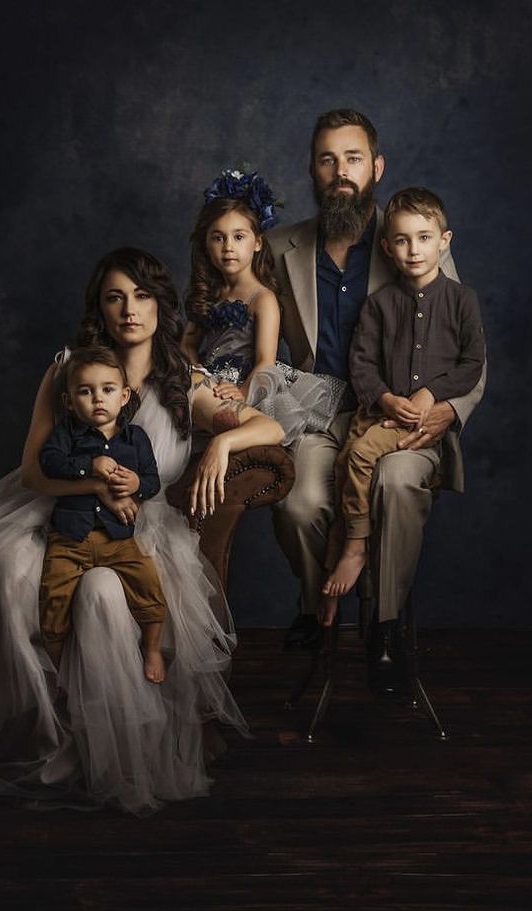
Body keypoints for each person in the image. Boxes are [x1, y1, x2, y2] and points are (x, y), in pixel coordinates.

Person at [0, 247, 284, 822]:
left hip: (138, 529)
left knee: (103, 595)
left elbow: (269, 425)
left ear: (161, 306)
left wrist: (221, 441)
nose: (129, 310)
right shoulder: (70, 368)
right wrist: (93, 486)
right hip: (56, 511)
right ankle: (33, 738)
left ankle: (105, 751)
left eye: (142, 296)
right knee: (8, 572)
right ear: (99, 306)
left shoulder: (185, 382)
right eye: (115, 297)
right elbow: (32, 472)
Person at [266, 109, 485, 685]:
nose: (341, 171)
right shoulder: (280, 246)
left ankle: (383, 628)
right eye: (328, 159)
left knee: (394, 482)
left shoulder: (411, 234)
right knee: (298, 504)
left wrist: (447, 410)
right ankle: (320, 609)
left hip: (404, 417)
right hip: (317, 415)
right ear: (312, 170)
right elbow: (241, 328)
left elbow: (469, 351)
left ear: (377, 166)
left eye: (354, 158)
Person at [320, 187, 486, 627]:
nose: (414, 249)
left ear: (444, 240)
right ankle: (328, 599)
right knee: (342, 470)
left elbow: (473, 363)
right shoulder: (378, 305)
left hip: (418, 428)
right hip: (381, 413)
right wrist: (386, 397)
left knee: (355, 458)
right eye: (403, 240)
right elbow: (361, 363)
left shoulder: (462, 300)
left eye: (424, 237)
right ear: (387, 247)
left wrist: (432, 395)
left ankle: (357, 550)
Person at [182, 168, 345, 445]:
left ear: (257, 242)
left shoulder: (263, 299)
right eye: (218, 237)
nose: (228, 247)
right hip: (209, 385)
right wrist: (198, 372)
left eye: (238, 237)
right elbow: (187, 342)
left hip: (247, 386)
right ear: (207, 244)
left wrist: (243, 393)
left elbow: (265, 362)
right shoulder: (209, 292)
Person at [38, 345, 168, 684]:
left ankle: (152, 647)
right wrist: (88, 467)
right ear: (69, 401)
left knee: (149, 584)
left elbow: (152, 482)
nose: (98, 399)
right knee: (54, 595)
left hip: (119, 536)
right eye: (85, 391)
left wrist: (138, 483)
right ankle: (54, 667)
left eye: (107, 390)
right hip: (71, 537)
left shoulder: (136, 438)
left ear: (124, 396)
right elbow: (49, 464)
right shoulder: (66, 433)